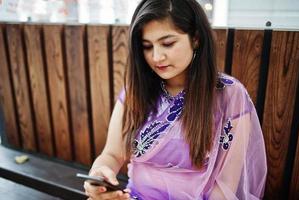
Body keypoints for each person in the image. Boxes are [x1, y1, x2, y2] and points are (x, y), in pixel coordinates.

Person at [84, 0, 267, 199]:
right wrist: (99, 174)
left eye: (168, 43)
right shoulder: (135, 90)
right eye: (147, 46)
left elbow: (225, 187)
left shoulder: (229, 95)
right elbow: (112, 154)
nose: (156, 57)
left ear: (195, 38)